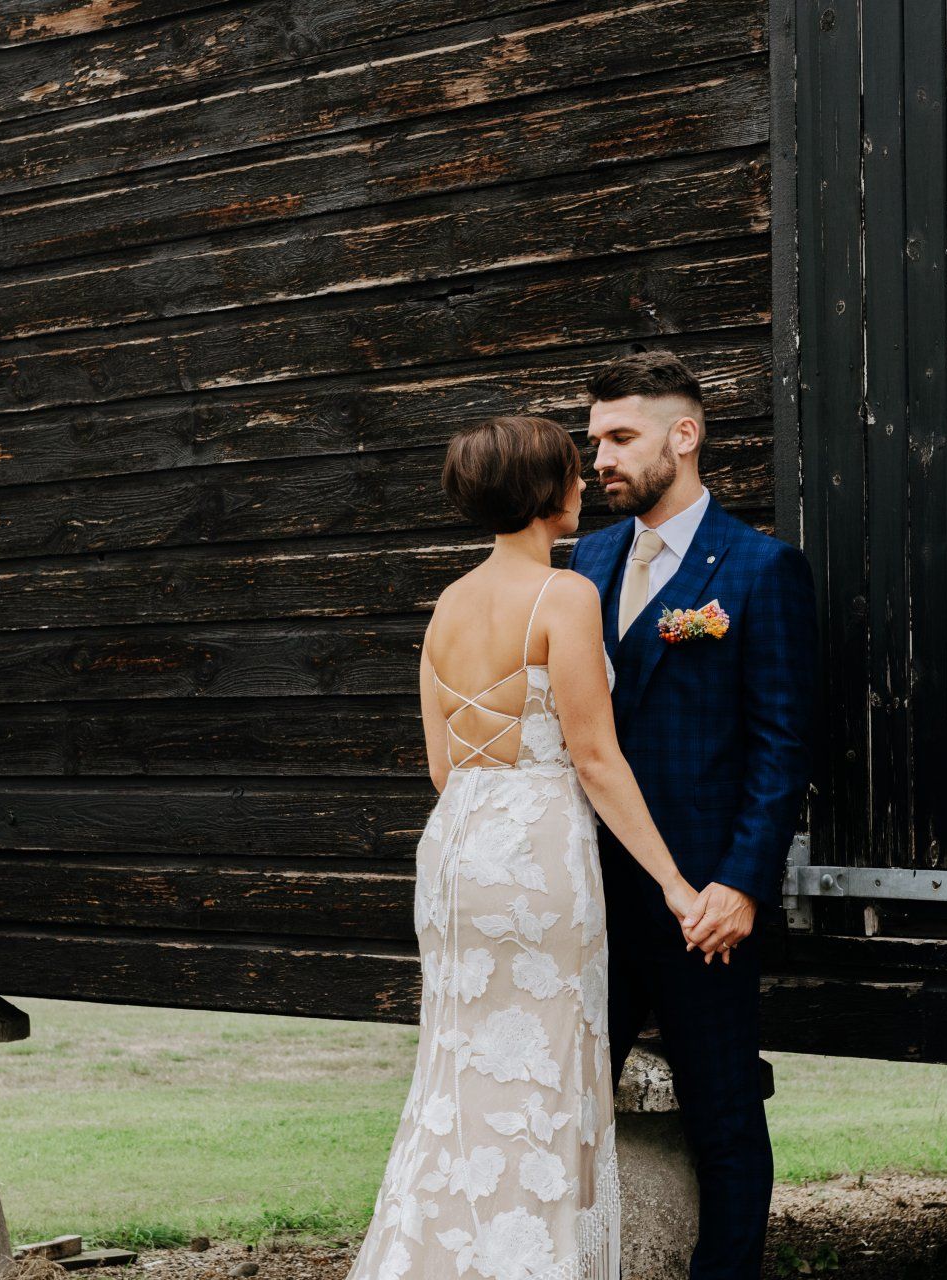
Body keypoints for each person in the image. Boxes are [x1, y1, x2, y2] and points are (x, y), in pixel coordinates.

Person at [345, 414, 703, 1280]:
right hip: (538, 855)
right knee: (541, 1076)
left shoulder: (448, 605)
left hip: (457, 854)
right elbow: (595, 759)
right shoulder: (564, 596)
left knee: (459, 1074)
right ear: (545, 492)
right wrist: (674, 882)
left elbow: (443, 767)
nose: (585, 483)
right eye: (574, 472)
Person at [569, 350, 817, 1280]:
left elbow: (781, 745)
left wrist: (742, 884)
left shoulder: (760, 569)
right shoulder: (587, 561)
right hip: (591, 892)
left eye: (620, 437)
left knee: (723, 1115)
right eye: (595, 440)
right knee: (565, 1107)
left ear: (685, 435)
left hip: (703, 904)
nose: (600, 459)